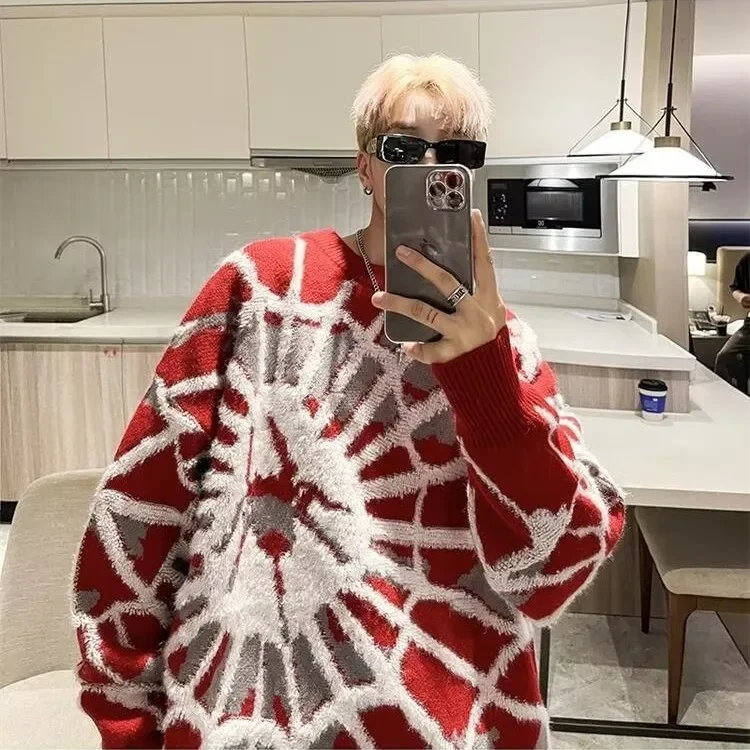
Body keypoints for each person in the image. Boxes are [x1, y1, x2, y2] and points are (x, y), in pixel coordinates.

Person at [71, 54, 625, 749]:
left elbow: (548, 577)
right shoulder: (263, 286)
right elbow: (138, 512)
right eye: (404, 149)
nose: (431, 166)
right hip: (246, 712)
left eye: (455, 152)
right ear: (364, 165)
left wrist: (483, 375)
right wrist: (126, 723)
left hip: (451, 722)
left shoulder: (501, 340)